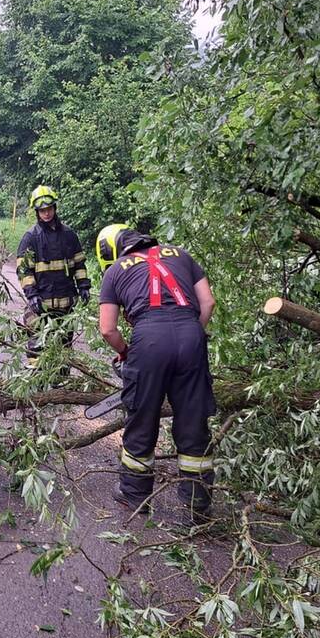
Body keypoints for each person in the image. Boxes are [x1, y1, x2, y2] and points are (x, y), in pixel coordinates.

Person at [95, 223, 217, 522]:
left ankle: (135, 496)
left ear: (111, 251)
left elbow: (108, 329)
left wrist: (125, 352)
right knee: (193, 419)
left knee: (142, 418)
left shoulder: (115, 271)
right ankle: (196, 505)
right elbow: (208, 302)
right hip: (191, 335)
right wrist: (190, 336)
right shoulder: (181, 254)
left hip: (148, 340)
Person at [16, 185, 90, 363]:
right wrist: (32, 296)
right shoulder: (30, 238)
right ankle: (37, 385)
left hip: (66, 304)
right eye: (42, 211)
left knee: (64, 346)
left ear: (54, 208)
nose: (46, 214)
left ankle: (62, 386)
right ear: (37, 212)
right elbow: (24, 270)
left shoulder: (69, 235)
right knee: (37, 347)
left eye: (48, 209)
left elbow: (79, 263)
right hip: (40, 306)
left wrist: (84, 286)